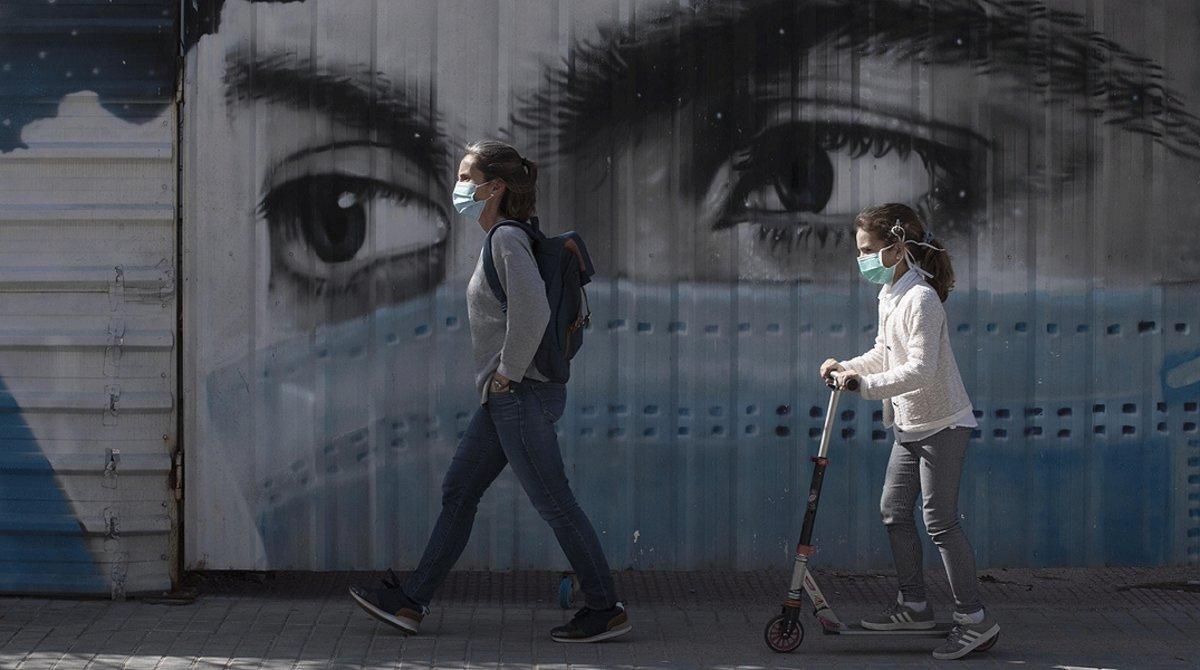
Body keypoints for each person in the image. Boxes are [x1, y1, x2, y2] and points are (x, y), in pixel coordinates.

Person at [350, 140, 630, 644]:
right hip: (507, 398)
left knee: (555, 503)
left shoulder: (507, 239)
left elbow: (532, 310)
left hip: (519, 395)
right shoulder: (507, 239)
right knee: (460, 491)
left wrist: (506, 374)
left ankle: (604, 607)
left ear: (495, 187)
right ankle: (412, 601)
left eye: (466, 178)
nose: (459, 187)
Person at [820, 203, 998, 660]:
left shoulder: (921, 298)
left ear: (897, 248)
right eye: (859, 251)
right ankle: (914, 605)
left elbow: (920, 369)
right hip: (909, 424)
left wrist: (863, 386)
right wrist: (846, 366)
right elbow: (885, 352)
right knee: (894, 512)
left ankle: (974, 619)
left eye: (868, 250)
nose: (861, 259)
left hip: (943, 425)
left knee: (940, 522)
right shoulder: (891, 294)